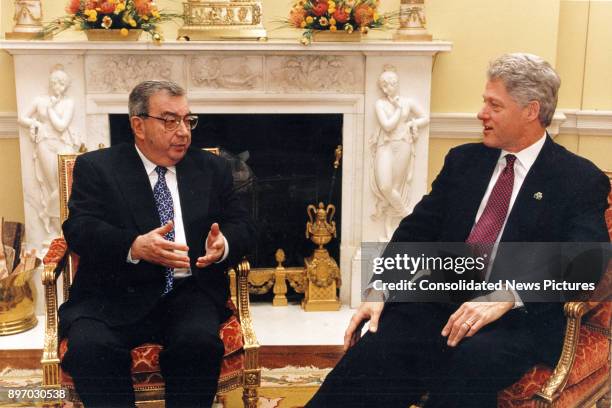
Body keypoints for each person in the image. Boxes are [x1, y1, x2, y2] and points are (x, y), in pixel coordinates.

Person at [306, 53, 610, 407]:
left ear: (531, 111)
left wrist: (506, 296)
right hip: (443, 297)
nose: (481, 113)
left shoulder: (577, 178)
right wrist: (381, 287)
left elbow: (584, 260)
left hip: (516, 317)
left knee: (468, 365)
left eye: (494, 105)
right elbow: (415, 231)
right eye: (485, 102)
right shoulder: (464, 161)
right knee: (380, 346)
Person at [58, 80, 255, 408]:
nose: (183, 131)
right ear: (138, 124)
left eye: (187, 120)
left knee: (199, 344)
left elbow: (244, 225)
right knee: (91, 349)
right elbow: (79, 228)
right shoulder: (98, 168)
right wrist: (133, 246)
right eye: (169, 120)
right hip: (112, 295)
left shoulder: (213, 168)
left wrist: (224, 244)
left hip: (188, 294)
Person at [18, 65, 79, 235]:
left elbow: (61, 126)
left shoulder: (68, 103)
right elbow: (22, 117)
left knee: (65, 183)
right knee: (53, 186)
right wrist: (35, 123)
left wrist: (51, 108)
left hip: (62, 143)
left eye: (60, 83)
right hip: (44, 142)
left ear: (65, 85)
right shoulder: (39, 100)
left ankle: (68, 225)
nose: (56, 86)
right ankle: (56, 228)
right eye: (53, 82)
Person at [370, 66, 429, 240]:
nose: (388, 88)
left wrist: (413, 124)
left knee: (395, 188)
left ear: (397, 83)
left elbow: (425, 117)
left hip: (403, 144)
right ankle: (409, 215)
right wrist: (397, 110)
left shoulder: (408, 101)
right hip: (385, 146)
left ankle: (391, 231)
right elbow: (387, 125)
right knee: (385, 186)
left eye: (392, 84)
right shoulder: (380, 103)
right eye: (385, 85)